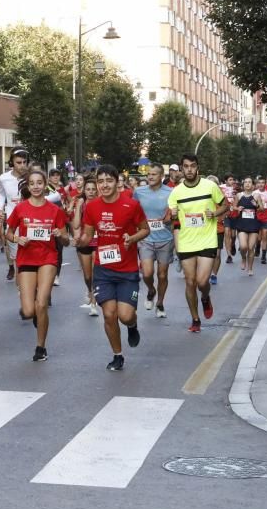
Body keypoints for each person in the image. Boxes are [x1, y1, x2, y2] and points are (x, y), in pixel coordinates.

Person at [78, 165, 150, 371]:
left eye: (109, 180)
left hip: (127, 270)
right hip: (103, 270)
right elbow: (88, 235)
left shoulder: (131, 205)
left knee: (125, 315)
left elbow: (145, 229)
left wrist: (132, 238)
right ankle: (117, 355)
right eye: (100, 181)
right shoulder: (92, 207)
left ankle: (132, 325)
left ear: (117, 182)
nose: (104, 185)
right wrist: (79, 240)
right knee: (109, 314)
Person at [7, 169, 69, 362]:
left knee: (41, 303)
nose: (35, 186)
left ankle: (41, 347)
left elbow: (67, 240)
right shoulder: (21, 209)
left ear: (45, 185)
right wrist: (17, 238)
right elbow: (8, 233)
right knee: (28, 311)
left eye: (39, 183)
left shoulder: (55, 211)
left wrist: (61, 236)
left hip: (47, 258)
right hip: (26, 259)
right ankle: (33, 313)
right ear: (28, 186)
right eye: (32, 183)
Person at [168, 154, 228, 334]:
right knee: (190, 282)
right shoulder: (176, 192)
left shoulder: (210, 186)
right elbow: (172, 218)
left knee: (202, 282)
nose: (189, 169)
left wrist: (215, 214)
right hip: (187, 242)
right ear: (181, 169)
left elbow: (225, 205)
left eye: (192, 166)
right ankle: (195, 319)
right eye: (185, 166)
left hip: (207, 239)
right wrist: (172, 215)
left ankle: (205, 296)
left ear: (197, 168)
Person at [134, 165, 174, 318]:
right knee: (147, 273)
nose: (150, 177)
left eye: (154, 174)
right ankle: (151, 290)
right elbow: (133, 210)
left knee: (162, 275)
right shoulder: (138, 192)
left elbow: (175, 212)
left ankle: (160, 303)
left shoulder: (170, 192)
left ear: (161, 176)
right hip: (146, 238)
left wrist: (170, 217)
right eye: (149, 174)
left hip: (165, 238)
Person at [0, 149, 29, 282]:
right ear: (12, 163)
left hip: (30, 219)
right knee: (16, 254)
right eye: (18, 162)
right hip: (12, 220)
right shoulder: (4, 178)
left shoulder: (31, 177)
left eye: (24, 162)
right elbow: (1, 193)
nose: (22, 165)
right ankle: (20, 285)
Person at [71, 175, 100, 316]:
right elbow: (76, 225)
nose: (91, 192)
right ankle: (89, 290)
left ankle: (94, 303)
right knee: (88, 276)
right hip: (85, 242)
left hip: (99, 242)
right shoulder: (82, 204)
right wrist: (78, 206)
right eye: (88, 189)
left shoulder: (102, 203)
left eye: (93, 189)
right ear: (84, 191)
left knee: (95, 274)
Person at [234, 178, 265, 276]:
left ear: (253, 185)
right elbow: (233, 206)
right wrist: (237, 208)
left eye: (249, 182)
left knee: (251, 247)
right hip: (242, 224)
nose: (247, 184)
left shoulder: (256, 195)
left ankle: (250, 268)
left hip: (253, 225)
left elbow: (262, 209)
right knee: (243, 246)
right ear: (243, 185)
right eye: (245, 182)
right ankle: (243, 258)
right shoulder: (239, 195)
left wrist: (256, 205)